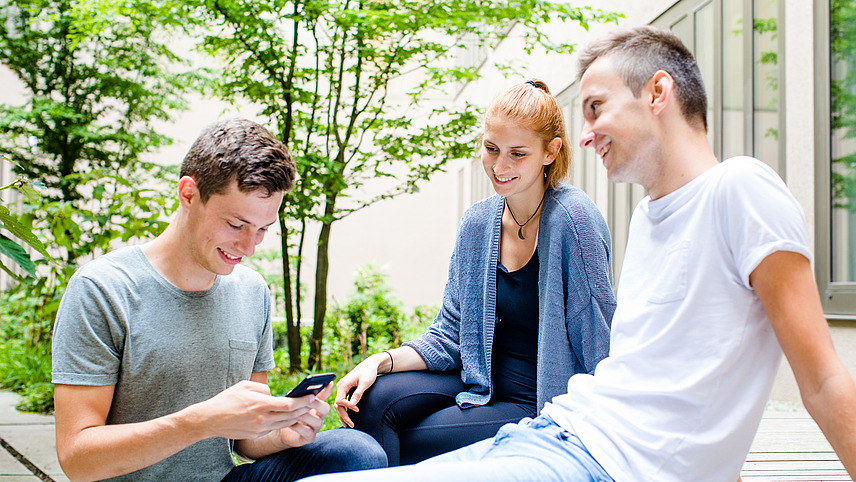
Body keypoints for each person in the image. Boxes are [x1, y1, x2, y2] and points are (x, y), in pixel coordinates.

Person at [302, 25, 856, 482]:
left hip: (586, 451)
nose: (587, 134)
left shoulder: (739, 188)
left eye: (596, 108)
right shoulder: (651, 215)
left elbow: (824, 381)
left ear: (658, 94)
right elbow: (649, 372)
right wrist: (382, 360)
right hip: (563, 432)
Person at [51, 119, 387, 481]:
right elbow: (77, 459)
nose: (249, 246)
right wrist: (199, 422)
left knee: (357, 452)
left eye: (262, 229)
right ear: (189, 193)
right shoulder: (103, 289)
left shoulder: (251, 291)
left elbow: (245, 440)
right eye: (236, 225)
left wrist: (283, 433)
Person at [332, 80, 615, 466]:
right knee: (373, 401)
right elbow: (450, 333)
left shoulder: (573, 219)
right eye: (491, 148)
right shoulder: (478, 223)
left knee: (406, 440)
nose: (499, 167)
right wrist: (377, 361)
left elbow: (599, 340)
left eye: (517, 153)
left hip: (533, 398)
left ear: (551, 151)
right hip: (476, 379)